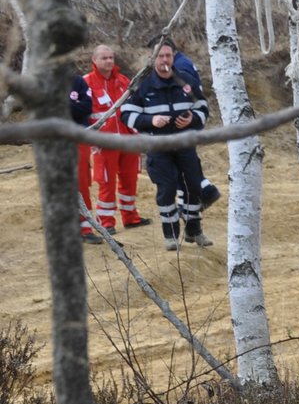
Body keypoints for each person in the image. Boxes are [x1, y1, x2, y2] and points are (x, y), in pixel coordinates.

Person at [123, 42, 212, 250]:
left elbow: (203, 107)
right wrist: (150, 121)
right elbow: (126, 114)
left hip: (185, 143)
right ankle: (171, 235)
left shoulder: (186, 80)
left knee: (193, 185)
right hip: (158, 146)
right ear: (153, 59)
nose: (165, 60)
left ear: (173, 57)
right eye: (161, 56)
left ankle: (194, 230)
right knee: (167, 189)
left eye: (168, 56)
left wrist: (193, 120)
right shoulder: (142, 83)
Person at [84, 45, 149, 232]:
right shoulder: (86, 83)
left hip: (128, 139)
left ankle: (130, 217)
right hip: (104, 142)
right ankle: (106, 222)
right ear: (94, 60)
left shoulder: (123, 81)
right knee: (106, 182)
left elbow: (136, 106)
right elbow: (83, 114)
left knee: (130, 180)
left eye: (111, 57)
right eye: (104, 58)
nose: (109, 61)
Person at [161, 38, 222, 211]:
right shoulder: (181, 62)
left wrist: (188, 117)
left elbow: (186, 94)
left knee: (184, 164)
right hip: (185, 121)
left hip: (184, 122)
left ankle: (205, 192)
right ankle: (192, 198)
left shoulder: (181, 66)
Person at [66, 71, 99, 242]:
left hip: (79, 137)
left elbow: (86, 107)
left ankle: (85, 228)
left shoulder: (78, 81)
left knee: (82, 181)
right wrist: (72, 104)